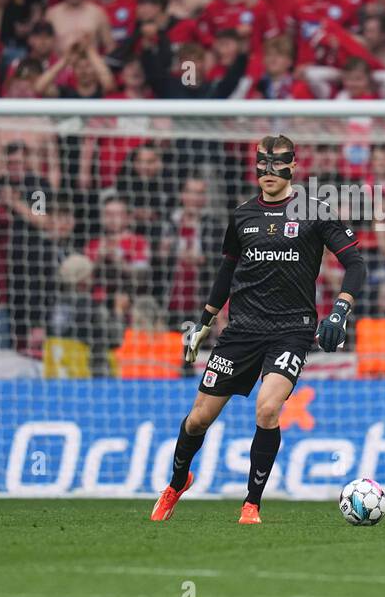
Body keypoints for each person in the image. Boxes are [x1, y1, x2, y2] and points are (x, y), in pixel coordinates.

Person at [152, 135, 366, 525]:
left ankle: (251, 504)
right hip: (241, 332)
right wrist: (203, 323)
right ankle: (177, 483)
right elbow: (226, 272)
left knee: (267, 409)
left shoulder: (315, 211)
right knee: (199, 418)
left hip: (291, 331)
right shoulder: (241, 216)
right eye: (262, 163)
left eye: (277, 163)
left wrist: (340, 310)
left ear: (293, 167)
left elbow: (356, 263)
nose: (268, 171)